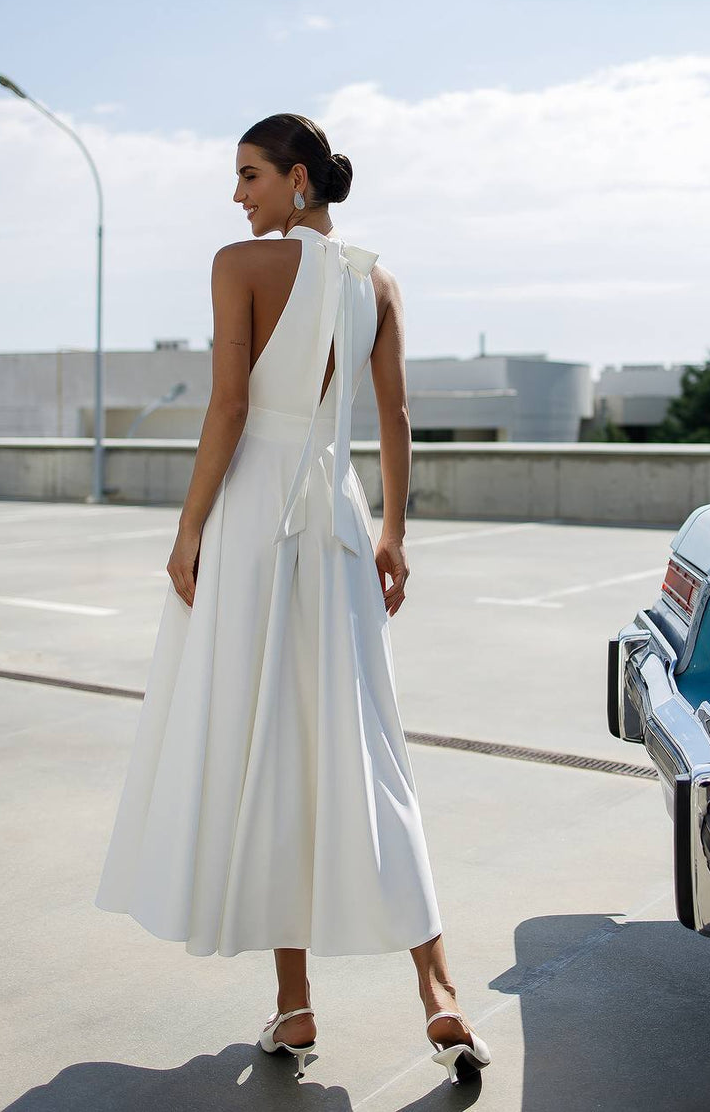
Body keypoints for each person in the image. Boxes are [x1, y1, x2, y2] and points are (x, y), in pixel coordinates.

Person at [93, 112, 491, 1085]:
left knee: (265, 746)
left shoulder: (241, 267)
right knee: (369, 747)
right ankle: (435, 994)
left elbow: (228, 406)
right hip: (343, 522)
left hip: (254, 525)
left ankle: (297, 1006)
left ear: (299, 179)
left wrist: (188, 528)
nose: (238, 197)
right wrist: (395, 533)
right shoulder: (377, 280)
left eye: (251, 176)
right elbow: (395, 416)